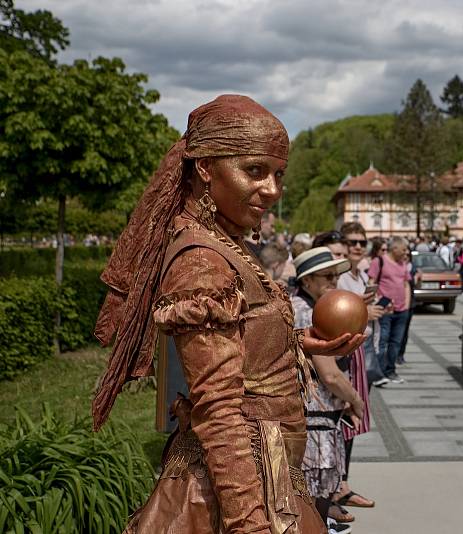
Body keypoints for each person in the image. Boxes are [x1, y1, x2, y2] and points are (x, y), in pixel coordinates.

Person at [93, 95, 366, 534]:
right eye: (254, 171)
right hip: (234, 490)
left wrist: (297, 344)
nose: (272, 190)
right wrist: (248, 523)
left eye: (278, 174)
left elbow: (239, 343)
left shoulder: (222, 241)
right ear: (205, 168)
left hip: (269, 473)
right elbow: (219, 413)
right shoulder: (202, 261)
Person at [290, 247, 364, 531]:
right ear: (307, 281)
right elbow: (330, 375)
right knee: (314, 488)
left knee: (313, 488)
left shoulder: (303, 305)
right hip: (314, 415)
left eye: (337, 276)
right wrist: (355, 401)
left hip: (317, 414)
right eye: (327, 277)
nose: (335, 282)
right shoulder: (307, 312)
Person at [331, 222, 381, 518]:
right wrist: (363, 311)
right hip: (346, 350)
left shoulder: (360, 274)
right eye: (352, 242)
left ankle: (343, 482)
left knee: (353, 422)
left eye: (362, 242)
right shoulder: (338, 278)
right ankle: (336, 487)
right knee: (345, 416)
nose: (358, 247)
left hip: (362, 350)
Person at [368, 236, 412, 385]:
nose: (406, 253)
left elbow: (406, 284)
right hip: (384, 310)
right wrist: (377, 300)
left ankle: (390, 370)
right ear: (395, 248)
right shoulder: (379, 261)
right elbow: (371, 283)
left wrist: (406, 304)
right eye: (404, 249)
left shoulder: (403, 264)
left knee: (396, 342)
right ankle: (378, 373)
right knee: (381, 341)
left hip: (401, 310)